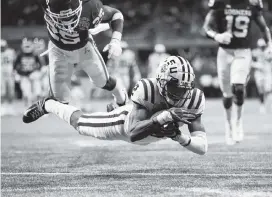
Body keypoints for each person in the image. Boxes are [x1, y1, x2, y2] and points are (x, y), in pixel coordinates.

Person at [22, 56, 207, 155]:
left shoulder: (194, 100)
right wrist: (163, 117)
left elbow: (202, 148)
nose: (180, 94)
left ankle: (120, 101)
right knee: (82, 124)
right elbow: (133, 133)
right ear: (161, 80)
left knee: (123, 106)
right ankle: (49, 104)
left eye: (185, 88)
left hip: (146, 128)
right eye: (175, 87)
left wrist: (179, 136)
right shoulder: (148, 89)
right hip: (124, 124)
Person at [203, 0, 272, 145]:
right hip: (224, 52)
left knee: (238, 87)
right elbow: (206, 27)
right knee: (227, 94)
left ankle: (238, 122)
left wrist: (269, 44)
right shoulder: (220, 3)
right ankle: (228, 125)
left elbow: (263, 27)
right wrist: (217, 36)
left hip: (243, 52)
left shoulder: (252, 3)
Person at [34, 0, 127, 107]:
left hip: (84, 48)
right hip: (57, 49)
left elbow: (116, 14)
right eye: (62, 17)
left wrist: (115, 40)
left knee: (102, 81)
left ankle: (121, 98)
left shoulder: (90, 6)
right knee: (60, 99)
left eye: (70, 15)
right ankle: (52, 110)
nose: (67, 21)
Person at [14, 38, 42, 107]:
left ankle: (38, 107)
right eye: (26, 46)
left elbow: (40, 65)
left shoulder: (35, 54)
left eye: (28, 46)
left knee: (37, 92)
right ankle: (27, 107)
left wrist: (36, 72)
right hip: (24, 76)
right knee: (26, 93)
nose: (27, 48)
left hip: (33, 75)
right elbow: (15, 66)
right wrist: (18, 74)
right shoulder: (20, 55)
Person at [252, 38, 272, 113]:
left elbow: (269, 60)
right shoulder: (255, 52)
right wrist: (257, 65)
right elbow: (251, 62)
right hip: (259, 73)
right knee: (260, 90)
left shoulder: (268, 51)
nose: (262, 48)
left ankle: (265, 101)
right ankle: (262, 105)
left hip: (267, 72)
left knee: (268, 89)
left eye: (263, 46)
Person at [1, 39, 17, 115]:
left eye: (3, 46)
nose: (2, 48)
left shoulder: (11, 52)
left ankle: (10, 107)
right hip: (1, 75)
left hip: (10, 74)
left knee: (11, 91)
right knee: (2, 92)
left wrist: (15, 71)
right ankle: (2, 107)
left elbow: (15, 62)